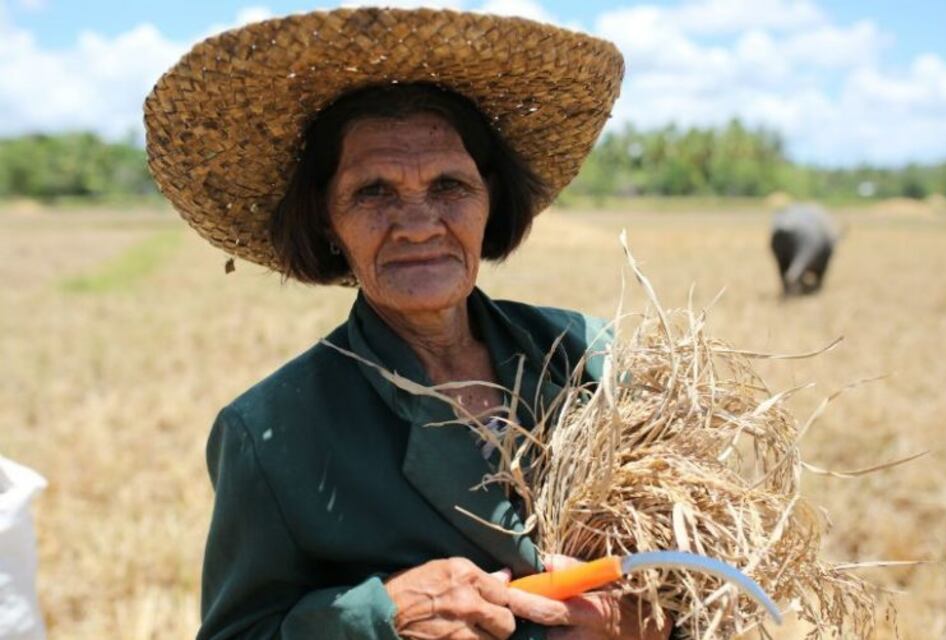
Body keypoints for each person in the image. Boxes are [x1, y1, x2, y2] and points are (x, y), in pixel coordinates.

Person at [144, 7, 670, 639]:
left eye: (449, 185)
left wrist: (647, 620)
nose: (419, 224)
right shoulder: (271, 434)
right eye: (374, 193)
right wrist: (384, 615)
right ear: (326, 221)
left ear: (491, 198)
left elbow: (707, 571)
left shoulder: (588, 359)